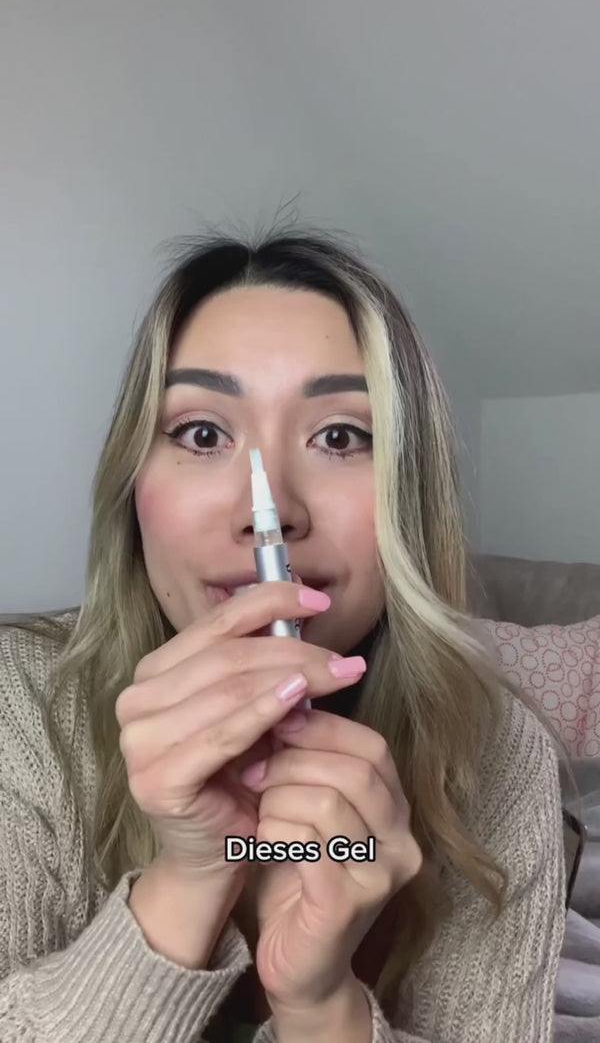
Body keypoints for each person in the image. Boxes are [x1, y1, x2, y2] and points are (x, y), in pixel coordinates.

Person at [0, 223, 575, 1042]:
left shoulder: (498, 752)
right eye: (203, 434)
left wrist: (321, 1003)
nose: (268, 510)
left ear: (409, 494)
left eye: (340, 436)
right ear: (131, 483)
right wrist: (189, 881)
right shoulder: (18, 703)